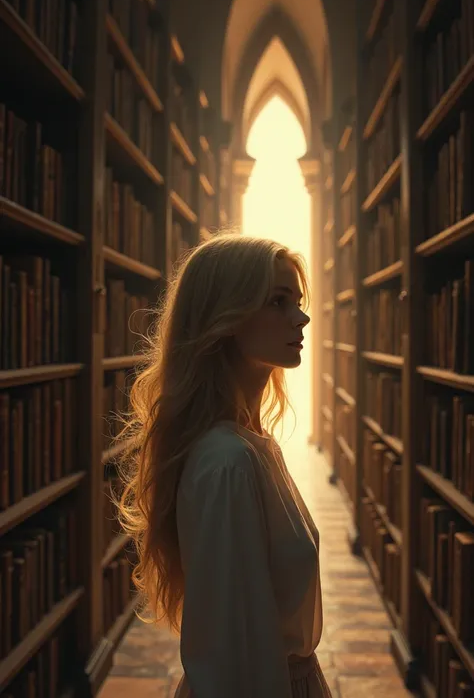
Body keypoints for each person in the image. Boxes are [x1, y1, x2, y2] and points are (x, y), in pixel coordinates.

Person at [116, 232, 332, 698]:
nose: (302, 317)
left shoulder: (253, 444)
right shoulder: (227, 462)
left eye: (296, 300)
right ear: (225, 317)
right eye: (277, 301)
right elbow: (232, 661)